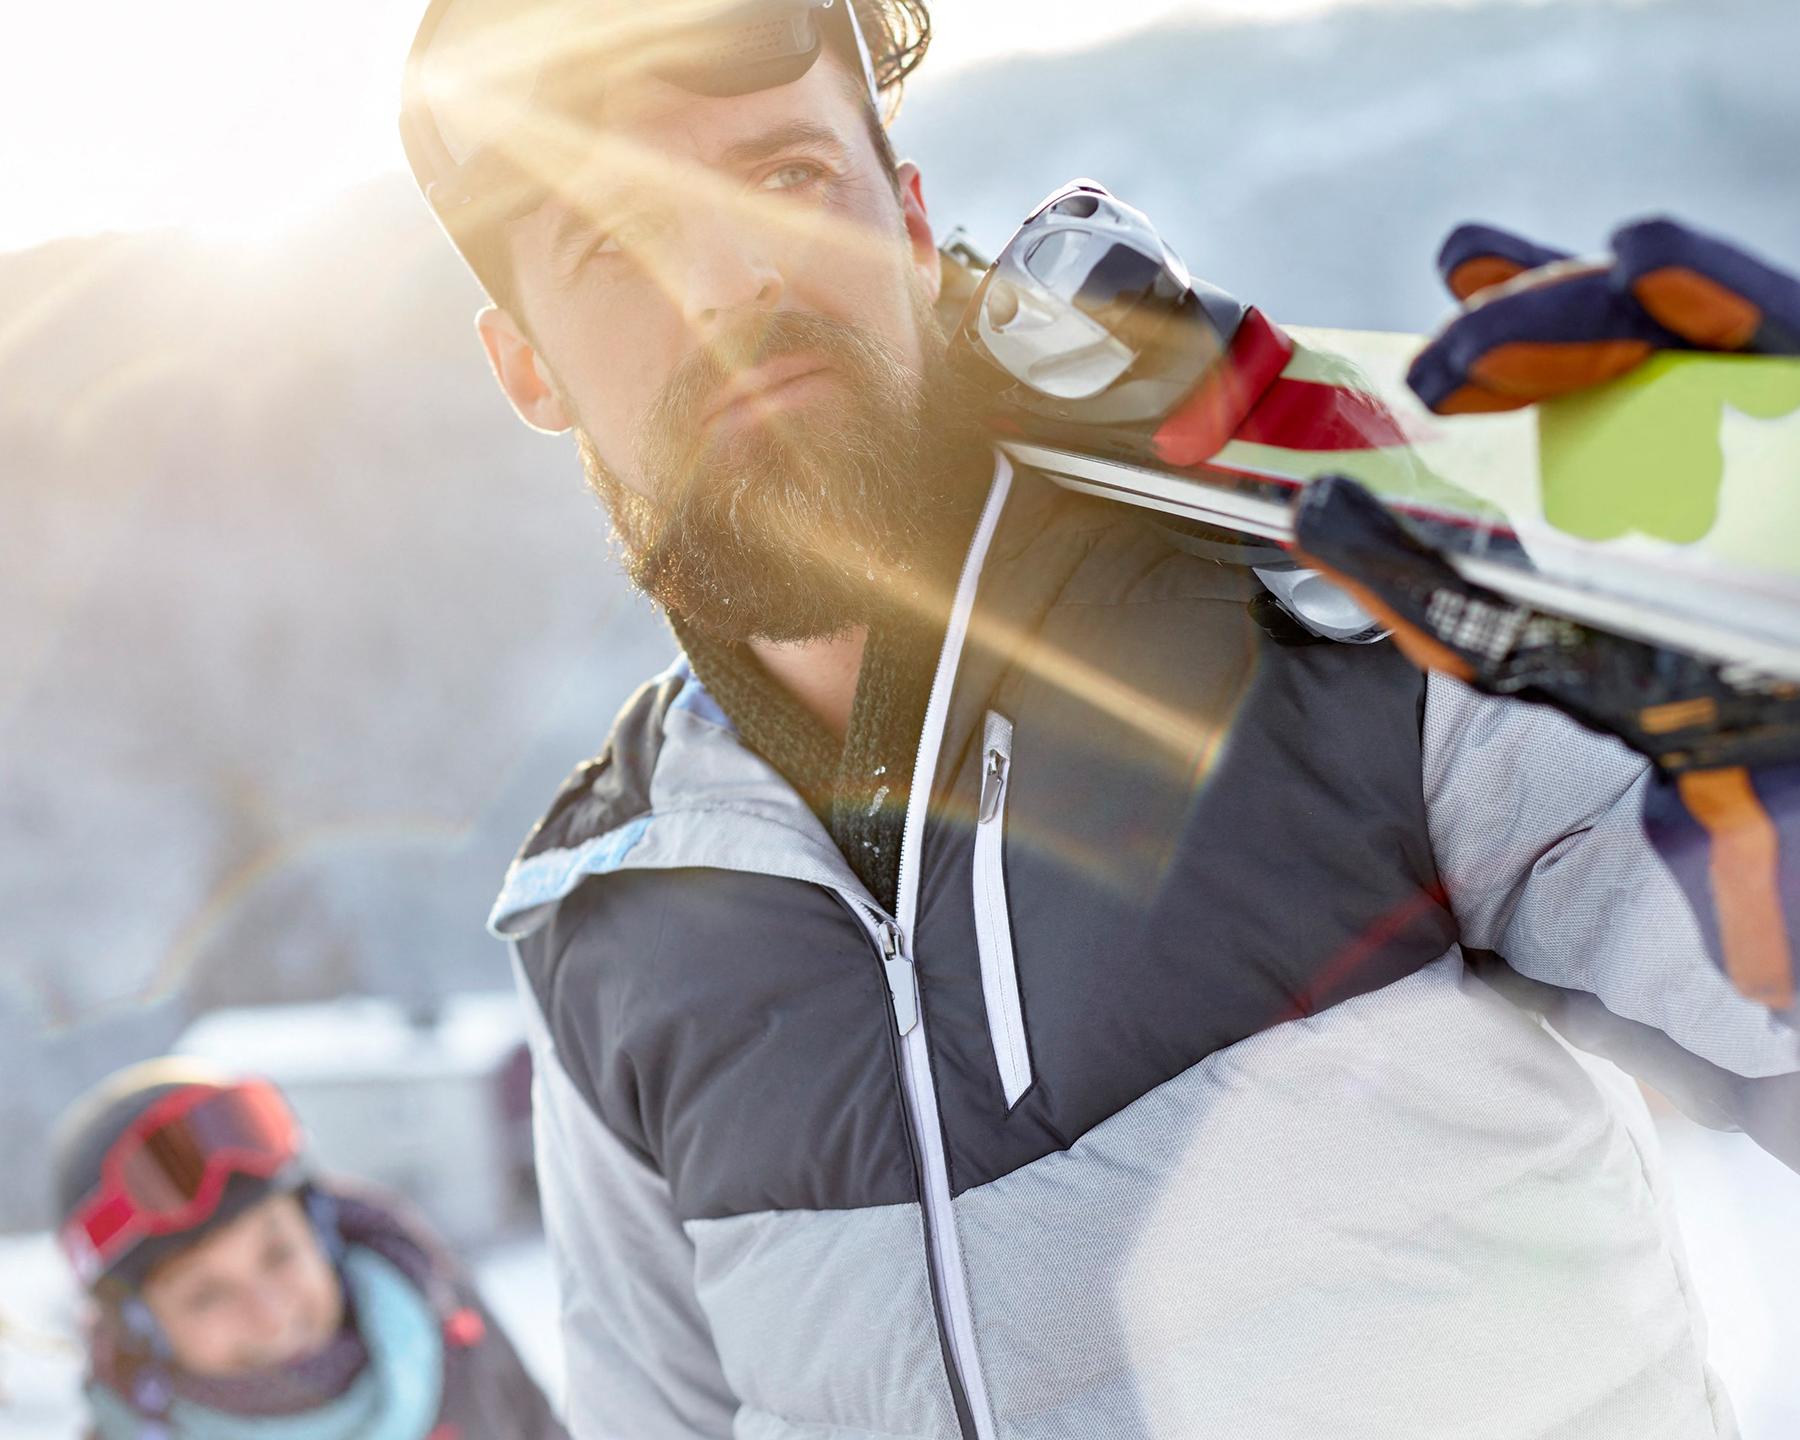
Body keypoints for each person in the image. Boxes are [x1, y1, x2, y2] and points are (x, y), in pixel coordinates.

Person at [396, 2, 1800, 1436]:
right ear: (527, 367)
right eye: (611, 247)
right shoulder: (610, 923)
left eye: (786, 178)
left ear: (906, 211)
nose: (726, 281)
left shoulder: (1331, 605)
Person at [52, 1060, 568, 1440]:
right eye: (205, 1296)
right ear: (143, 1327)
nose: (271, 1316)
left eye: (278, 1254)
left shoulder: (450, 1324)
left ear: (320, 1232)